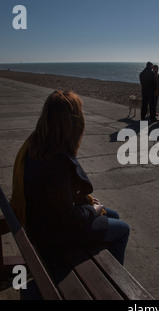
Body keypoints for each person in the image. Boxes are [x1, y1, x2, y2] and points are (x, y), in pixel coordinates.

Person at [11, 90, 130, 265]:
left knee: (114, 215)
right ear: (73, 122)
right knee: (123, 229)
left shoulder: (36, 144)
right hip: (53, 235)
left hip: (40, 222)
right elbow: (68, 218)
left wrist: (79, 199)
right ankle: (112, 284)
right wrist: (93, 210)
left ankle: (99, 264)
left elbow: (53, 194)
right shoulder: (57, 160)